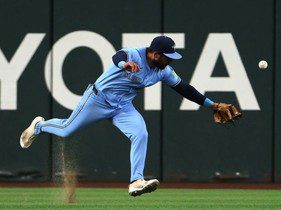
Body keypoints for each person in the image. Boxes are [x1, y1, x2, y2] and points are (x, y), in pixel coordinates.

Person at [20, 35, 222, 197]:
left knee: (140, 133)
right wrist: (124, 64)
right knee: (66, 130)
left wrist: (212, 105)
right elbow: (118, 56)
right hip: (97, 99)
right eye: (168, 57)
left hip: (122, 107)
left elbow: (184, 89)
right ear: (156, 54)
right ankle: (39, 126)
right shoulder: (134, 54)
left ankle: (136, 182)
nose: (170, 61)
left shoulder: (163, 71)